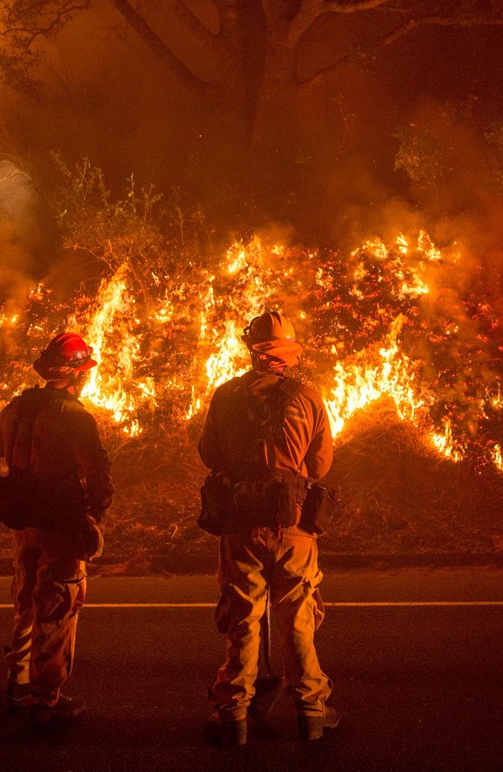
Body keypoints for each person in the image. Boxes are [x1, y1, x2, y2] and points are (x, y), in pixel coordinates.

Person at [198, 311, 337, 744]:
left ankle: (234, 714)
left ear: (252, 351)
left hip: (239, 522)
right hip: (290, 524)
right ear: (289, 355)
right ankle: (311, 712)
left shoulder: (225, 395)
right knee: (297, 618)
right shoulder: (308, 398)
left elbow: (209, 454)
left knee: (243, 618)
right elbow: (320, 465)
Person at [0, 332, 113, 725]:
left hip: (23, 518)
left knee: (26, 595)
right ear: (76, 374)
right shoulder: (73, 414)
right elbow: (98, 471)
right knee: (58, 604)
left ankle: (18, 679)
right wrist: (94, 513)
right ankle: (45, 700)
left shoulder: (17, 407)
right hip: (59, 521)